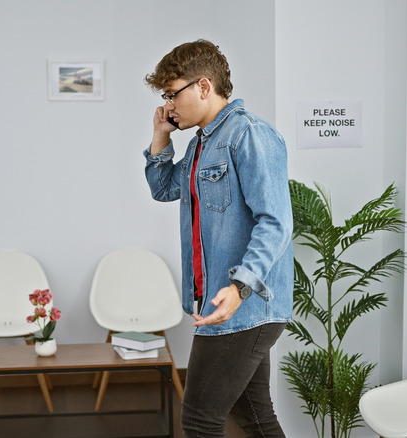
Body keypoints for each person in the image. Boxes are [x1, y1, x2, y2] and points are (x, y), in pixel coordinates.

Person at [142, 39, 293, 437]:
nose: (169, 105)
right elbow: (164, 189)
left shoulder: (250, 135)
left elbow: (275, 222)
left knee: (199, 420)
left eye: (172, 94)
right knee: (255, 417)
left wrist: (240, 287)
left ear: (204, 86)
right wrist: (160, 136)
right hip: (224, 301)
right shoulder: (200, 145)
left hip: (243, 303)